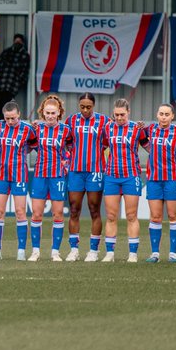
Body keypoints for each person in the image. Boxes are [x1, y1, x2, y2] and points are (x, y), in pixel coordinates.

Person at [141, 103, 176, 263]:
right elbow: (140, 137)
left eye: (167, 114)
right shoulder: (150, 129)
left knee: (174, 216)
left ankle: (173, 254)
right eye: (161, 114)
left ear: (172, 116)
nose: (163, 117)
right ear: (157, 115)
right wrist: (148, 147)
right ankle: (155, 254)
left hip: (173, 179)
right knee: (155, 217)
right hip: (154, 179)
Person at [100, 99, 145, 263]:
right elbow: (102, 147)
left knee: (131, 216)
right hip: (111, 176)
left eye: (122, 115)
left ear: (128, 112)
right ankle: (109, 253)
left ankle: (132, 254)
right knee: (111, 216)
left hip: (131, 176)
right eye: (116, 115)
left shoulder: (137, 129)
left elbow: (150, 147)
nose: (119, 118)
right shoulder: (107, 128)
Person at [27, 95, 72, 262]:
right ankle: (35, 251)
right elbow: (30, 146)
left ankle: (55, 252)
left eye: (53, 113)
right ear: (43, 113)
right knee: (36, 214)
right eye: (48, 113)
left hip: (58, 176)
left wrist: (66, 162)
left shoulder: (66, 130)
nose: (50, 116)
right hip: (40, 175)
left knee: (58, 214)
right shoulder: (36, 129)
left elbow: (72, 149)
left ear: (59, 112)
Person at [0, 102, 34, 260]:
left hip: (19, 175)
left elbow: (35, 145)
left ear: (19, 114)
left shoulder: (28, 129)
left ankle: (21, 251)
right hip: (1, 175)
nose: (10, 121)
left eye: (13, 118)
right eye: (7, 118)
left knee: (20, 212)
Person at [63, 92, 105, 262]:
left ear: (93, 105)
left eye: (89, 107)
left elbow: (109, 141)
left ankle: (93, 251)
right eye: (82, 107)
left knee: (94, 209)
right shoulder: (71, 120)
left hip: (95, 170)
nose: (85, 110)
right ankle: (74, 250)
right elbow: (66, 140)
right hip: (75, 170)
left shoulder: (104, 121)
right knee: (74, 209)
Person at [0, 34, 30, 121]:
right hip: (1, 83)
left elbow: (24, 71)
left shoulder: (24, 55)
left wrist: (19, 82)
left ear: (22, 43)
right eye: (16, 41)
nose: (17, 43)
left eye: (19, 42)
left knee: (7, 106)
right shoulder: (6, 52)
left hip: (12, 85)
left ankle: (5, 123)